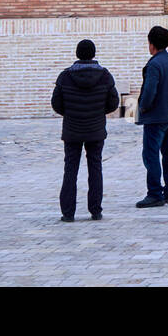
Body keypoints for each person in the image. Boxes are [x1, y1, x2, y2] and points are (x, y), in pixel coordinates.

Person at [51, 39, 120, 222]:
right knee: (95, 168)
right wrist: (98, 112)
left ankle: (68, 212)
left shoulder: (65, 76)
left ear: (77, 54)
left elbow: (56, 104)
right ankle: (95, 210)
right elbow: (113, 102)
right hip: (96, 128)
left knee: (70, 170)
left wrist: (71, 113)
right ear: (93, 53)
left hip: (72, 129)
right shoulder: (105, 76)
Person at [136, 25, 168, 207]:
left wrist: (143, 107)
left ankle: (155, 193)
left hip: (156, 117)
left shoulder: (154, 64)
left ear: (152, 45)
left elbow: (150, 91)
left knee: (151, 155)